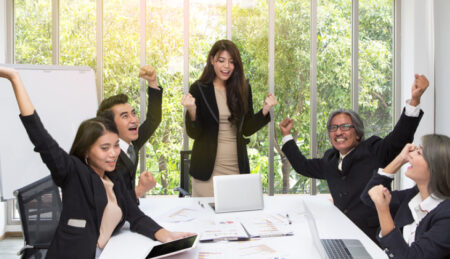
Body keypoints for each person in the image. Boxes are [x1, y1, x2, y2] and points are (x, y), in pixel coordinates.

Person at [0, 66, 193, 259]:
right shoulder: (74, 173)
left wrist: (167, 236)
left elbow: (135, 216)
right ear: (86, 150)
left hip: (109, 251)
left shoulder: (114, 178)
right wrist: (14, 78)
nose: (113, 154)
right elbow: (40, 137)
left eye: (116, 145)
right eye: (104, 148)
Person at [279, 74, 429, 242]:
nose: (338, 132)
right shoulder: (330, 160)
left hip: (375, 238)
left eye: (345, 127)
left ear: (357, 133)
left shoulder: (373, 150)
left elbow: (399, 138)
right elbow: (303, 166)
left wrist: (414, 101)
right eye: (334, 128)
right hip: (341, 233)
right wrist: (286, 136)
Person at [181, 39, 277, 197]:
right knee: (207, 220)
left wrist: (265, 110)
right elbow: (194, 134)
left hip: (236, 168)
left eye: (231, 62)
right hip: (207, 171)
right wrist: (192, 111)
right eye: (221, 60)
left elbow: (246, 129)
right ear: (212, 60)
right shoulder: (199, 88)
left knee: (234, 217)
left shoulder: (243, 89)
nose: (226, 66)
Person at [361, 136, 450, 258]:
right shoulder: (413, 196)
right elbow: (369, 196)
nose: (410, 154)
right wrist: (400, 159)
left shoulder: (446, 215)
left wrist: (383, 210)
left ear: (436, 167)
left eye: (419, 152)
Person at [97, 65, 161, 204]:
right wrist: (140, 190)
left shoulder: (131, 143)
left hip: (129, 213)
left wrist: (153, 82)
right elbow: (109, 201)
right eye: (125, 116)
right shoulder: (104, 157)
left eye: (133, 113)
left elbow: (153, 120)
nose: (134, 120)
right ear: (110, 124)